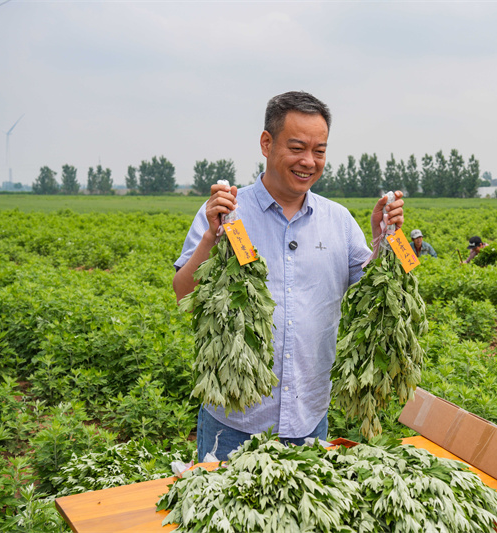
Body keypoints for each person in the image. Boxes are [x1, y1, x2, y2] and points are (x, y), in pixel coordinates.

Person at [172, 91, 404, 462]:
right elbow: (184, 294)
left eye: (319, 150)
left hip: (309, 419)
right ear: (267, 143)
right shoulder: (227, 213)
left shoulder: (339, 221)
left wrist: (382, 242)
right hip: (234, 420)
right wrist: (210, 240)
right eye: (297, 148)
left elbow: (371, 298)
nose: (308, 161)